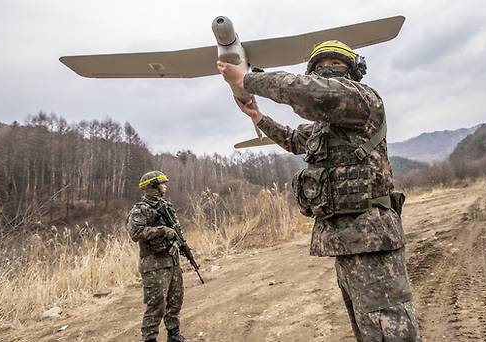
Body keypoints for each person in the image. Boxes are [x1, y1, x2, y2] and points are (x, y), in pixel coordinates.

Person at [217, 40, 421, 341]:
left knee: (391, 335)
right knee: (370, 332)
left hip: (373, 243)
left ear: (350, 71)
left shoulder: (361, 100)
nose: (328, 72)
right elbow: (295, 139)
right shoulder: (330, 126)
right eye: (322, 67)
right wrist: (259, 118)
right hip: (349, 244)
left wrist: (246, 79)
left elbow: (309, 92)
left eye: (333, 66)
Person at [127, 171, 188, 342]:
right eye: (162, 183)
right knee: (156, 305)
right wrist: (161, 231)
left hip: (172, 260)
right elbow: (135, 233)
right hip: (154, 265)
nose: (165, 186)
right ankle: (150, 339)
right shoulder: (140, 209)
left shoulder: (166, 206)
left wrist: (180, 243)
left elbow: (176, 229)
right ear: (153, 187)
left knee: (176, 299)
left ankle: (173, 335)